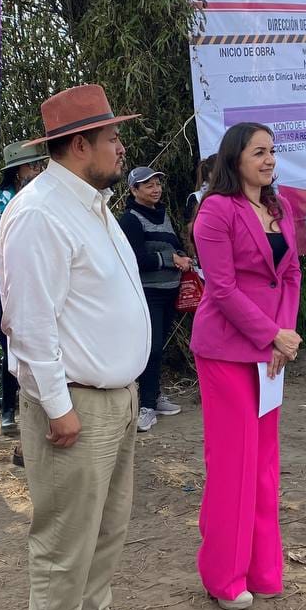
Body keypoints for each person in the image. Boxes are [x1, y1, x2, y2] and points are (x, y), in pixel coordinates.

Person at [0, 84, 161, 610]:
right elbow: (29, 324)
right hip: (74, 401)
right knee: (66, 534)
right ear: (80, 144)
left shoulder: (91, 205)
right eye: (112, 137)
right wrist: (58, 408)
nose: (121, 147)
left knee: (108, 523)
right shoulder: (40, 212)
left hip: (113, 396)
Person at [189, 123, 301, 610]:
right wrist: (269, 334)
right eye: (259, 152)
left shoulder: (279, 208)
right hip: (226, 352)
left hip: (271, 351)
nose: (269, 159)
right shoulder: (216, 211)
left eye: (272, 151)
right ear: (235, 159)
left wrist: (285, 336)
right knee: (233, 464)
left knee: (264, 465)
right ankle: (224, 577)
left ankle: (262, 568)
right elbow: (222, 287)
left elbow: (292, 274)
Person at [0, 141, 48, 438]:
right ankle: (8, 411)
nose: (38, 170)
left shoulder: (42, 197)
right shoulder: (0, 198)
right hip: (4, 283)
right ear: (18, 168)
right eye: (33, 165)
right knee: (12, 345)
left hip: (38, 279)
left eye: (39, 165)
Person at [119, 165, 192, 432]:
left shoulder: (162, 215)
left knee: (159, 347)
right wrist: (169, 259)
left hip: (169, 291)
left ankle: (155, 396)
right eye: (148, 185)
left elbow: (172, 244)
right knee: (150, 348)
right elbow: (133, 259)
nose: (156, 188)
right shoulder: (130, 220)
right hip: (147, 293)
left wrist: (182, 256)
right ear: (134, 190)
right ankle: (145, 405)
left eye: (157, 183)